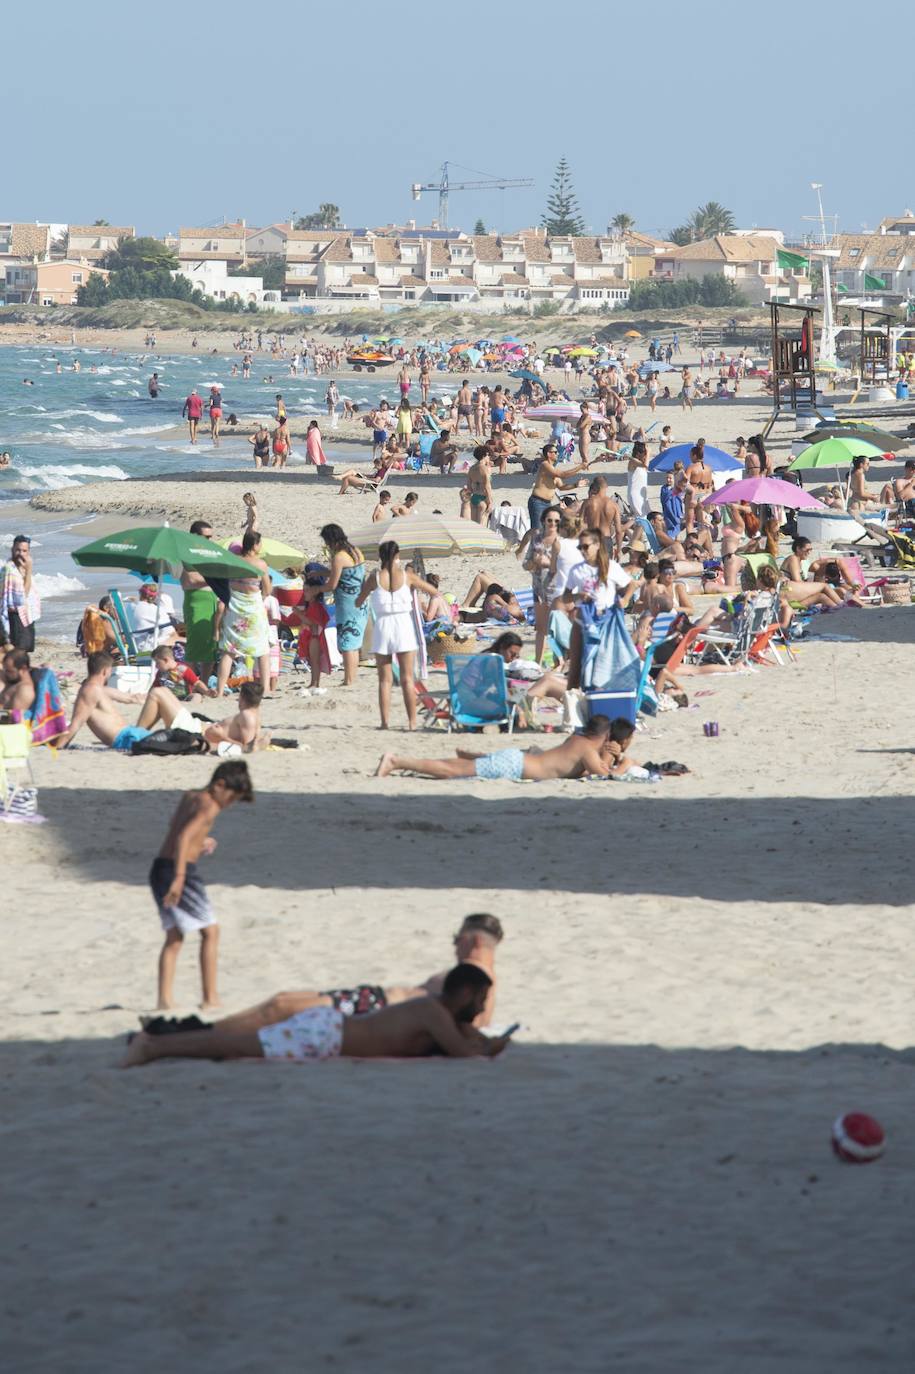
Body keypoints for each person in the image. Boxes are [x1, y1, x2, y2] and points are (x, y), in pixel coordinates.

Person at [163, 914, 505, 1037]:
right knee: (282, 1004)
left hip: (375, 1008)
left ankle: (200, 1031)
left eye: (457, 938)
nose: (453, 945)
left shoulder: (477, 977)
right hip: (376, 1003)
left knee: (281, 1007)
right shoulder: (479, 975)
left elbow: (474, 1025)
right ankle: (204, 1029)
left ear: (474, 940)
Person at [124, 962, 510, 1067]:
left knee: (235, 1046)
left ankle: (159, 1043)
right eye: (480, 998)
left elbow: (452, 1043)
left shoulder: (438, 1015)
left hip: (329, 1031)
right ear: (464, 992)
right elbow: (462, 1053)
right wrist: (490, 1046)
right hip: (326, 1036)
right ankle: (154, 1046)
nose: (481, 1007)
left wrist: (476, 1038)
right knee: (230, 1045)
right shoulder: (431, 1010)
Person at [149, 760, 254, 1012]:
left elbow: (177, 828)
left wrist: (201, 840)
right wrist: (181, 876)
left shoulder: (190, 796)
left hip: (160, 868)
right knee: (211, 932)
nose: (229, 805)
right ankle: (210, 998)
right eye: (231, 798)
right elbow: (184, 837)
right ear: (220, 785)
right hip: (179, 871)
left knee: (174, 937)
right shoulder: (210, 806)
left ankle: (165, 999)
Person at [376, 713, 618, 781]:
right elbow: (603, 774)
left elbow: (580, 768)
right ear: (605, 736)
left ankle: (398, 761)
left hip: (518, 760)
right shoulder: (587, 749)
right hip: (515, 766)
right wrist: (617, 760)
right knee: (453, 772)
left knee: (460, 767)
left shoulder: (575, 740)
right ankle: (396, 761)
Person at [356, 541, 438, 730]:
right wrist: (413, 588)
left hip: (383, 626)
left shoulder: (374, 577)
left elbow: (359, 601)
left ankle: (385, 723)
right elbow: (434, 592)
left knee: (384, 680)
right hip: (403, 626)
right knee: (408, 678)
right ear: (397, 555)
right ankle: (412, 722)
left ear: (380, 556)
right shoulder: (408, 577)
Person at [215, 529, 272, 697]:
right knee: (262, 650)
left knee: (229, 650)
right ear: (255, 545)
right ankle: (266, 689)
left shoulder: (232, 561)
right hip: (253, 607)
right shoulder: (260, 564)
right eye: (260, 543)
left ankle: (219, 690)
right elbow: (267, 590)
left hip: (234, 606)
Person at [57, 652, 146, 748]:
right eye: (110, 670)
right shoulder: (89, 691)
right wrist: (58, 748)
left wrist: (143, 699)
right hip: (127, 739)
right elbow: (76, 724)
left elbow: (131, 698)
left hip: (133, 735)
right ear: (105, 671)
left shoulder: (99, 690)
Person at [319, 523, 368, 687]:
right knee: (353, 643)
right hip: (361, 601)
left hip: (347, 603)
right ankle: (351, 678)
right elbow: (346, 573)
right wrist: (321, 572)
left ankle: (348, 679)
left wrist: (314, 589)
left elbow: (332, 585)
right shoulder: (355, 551)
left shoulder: (339, 556)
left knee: (347, 643)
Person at [518, 505, 562, 661]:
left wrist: (548, 562)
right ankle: (538, 661)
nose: (553, 524)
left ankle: (559, 662)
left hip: (557, 590)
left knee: (557, 629)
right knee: (541, 628)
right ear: (544, 521)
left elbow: (565, 567)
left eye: (557, 521)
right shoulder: (537, 539)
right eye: (550, 520)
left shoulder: (561, 541)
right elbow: (525, 564)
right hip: (538, 590)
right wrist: (534, 563)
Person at [181, 519, 220, 677]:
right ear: (195, 536)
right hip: (196, 600)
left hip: (211, 599)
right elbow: (190, 580)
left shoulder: (209, 555)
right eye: (207, 537)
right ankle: (191, 684)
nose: (210, 540)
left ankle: (202, 683)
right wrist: (215, 578)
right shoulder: (188, 554)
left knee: (211, 647)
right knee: (195, 645)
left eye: (211, 537)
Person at [528, 441, 589, 531]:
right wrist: (580, 467)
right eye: (555, 452)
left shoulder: (552, 470)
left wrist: (576, 485)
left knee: (547, 530)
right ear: (549, 454)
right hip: (537, 502)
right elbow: (563, 474)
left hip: (547, 503)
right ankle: (524, 544)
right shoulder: (545, 465)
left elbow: (561, 487)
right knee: (536, 530)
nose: (557, 454)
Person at [0, 535, 40, 650]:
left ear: (29, 552)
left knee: (24, 651)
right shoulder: (10, 570)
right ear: (12, 550)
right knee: (18, 652)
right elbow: (23, 596)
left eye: (24, 551)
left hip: (25, 616)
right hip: (15, 617)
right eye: (18, 550)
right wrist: (29, 571)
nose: (21, 553)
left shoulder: (20, 568)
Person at [129, 580, 179, 651]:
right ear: (155, 596)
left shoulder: (130, 606)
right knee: (179, 638)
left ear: (140, 592)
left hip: (136, 645)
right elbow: (170, 633)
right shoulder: (156, 610)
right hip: (150, 647)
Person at [0, 648, 36, 714]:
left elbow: (15, 717)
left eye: (9, 671)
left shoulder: (24, 689)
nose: (6, 674)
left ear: (23, 669)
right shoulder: (12, 680)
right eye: (5, 670)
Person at [466, 446, 494, 524]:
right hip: (483, 499)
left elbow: (469, 487)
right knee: (482, 528)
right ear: (486, 454)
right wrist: (490, 501)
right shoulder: (485, 469)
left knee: (474, 527)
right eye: (488, 455)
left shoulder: (471, 468)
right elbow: (487, 487)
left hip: (474, 498)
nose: (489, 458)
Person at [627, 439, 651, 519]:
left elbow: (645, 465)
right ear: (638, 454)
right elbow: (646, 465)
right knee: (641, 518)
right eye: (644, 454)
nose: (645, 456)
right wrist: (648, 453)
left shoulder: (641, 463)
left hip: (643, 495)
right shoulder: (633, 461)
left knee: (647, 516)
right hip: (635, 495)